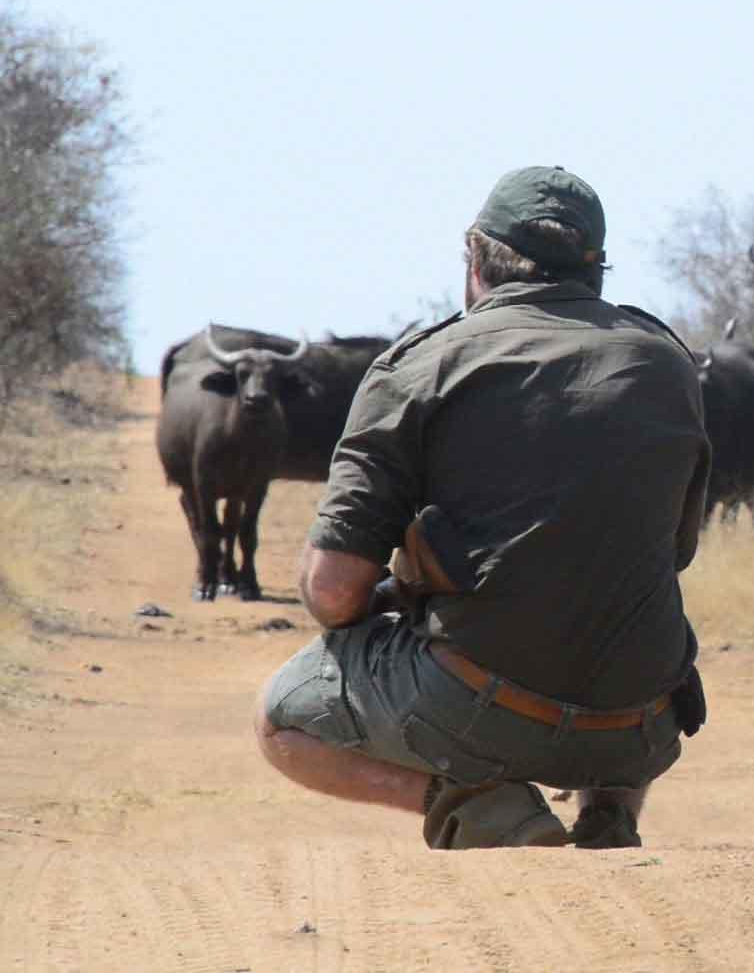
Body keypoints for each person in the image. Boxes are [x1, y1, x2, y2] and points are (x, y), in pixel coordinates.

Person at [254, 166, 710, 850]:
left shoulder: (418, 368)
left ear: (475, 264)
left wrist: (405, 590)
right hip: (641, 728)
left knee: (280, 720)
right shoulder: (666, 363)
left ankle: (474, 805)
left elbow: (332, 594)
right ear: (599, 271)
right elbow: (675, 549)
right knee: (619, 584)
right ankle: (610, 809)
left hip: (478, 713)